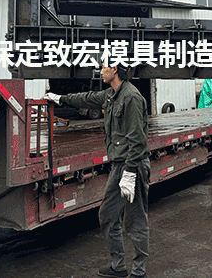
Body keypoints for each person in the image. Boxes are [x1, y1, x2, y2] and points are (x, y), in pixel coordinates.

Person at [45, 63, 150, 278]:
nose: (100, 71)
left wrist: (130, 172)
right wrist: (60, 98)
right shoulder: (111, 94)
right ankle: (118, 266)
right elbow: (86, 98)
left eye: (104, 67)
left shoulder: (131, 97)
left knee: (135, 220)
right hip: (119, 165)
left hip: (134, 164)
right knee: (108, 215)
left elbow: (137, 140)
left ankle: (139, 272)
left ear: (115, 69)